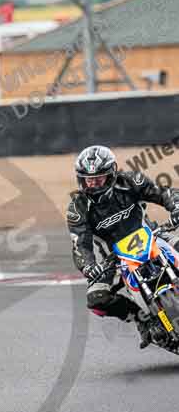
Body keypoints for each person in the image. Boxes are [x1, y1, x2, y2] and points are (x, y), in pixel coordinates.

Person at [67, 145, 179, 348]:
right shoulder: (78, 208)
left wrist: (175, 206)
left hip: (152, 237)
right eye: (87, 180)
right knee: (96, 299)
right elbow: (79, 244)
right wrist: (89, 267)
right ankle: (140, 317)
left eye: (98, 179)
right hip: (115, 259)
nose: (92, 184)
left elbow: (162, 193)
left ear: (111, 175)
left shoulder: (130, 181)